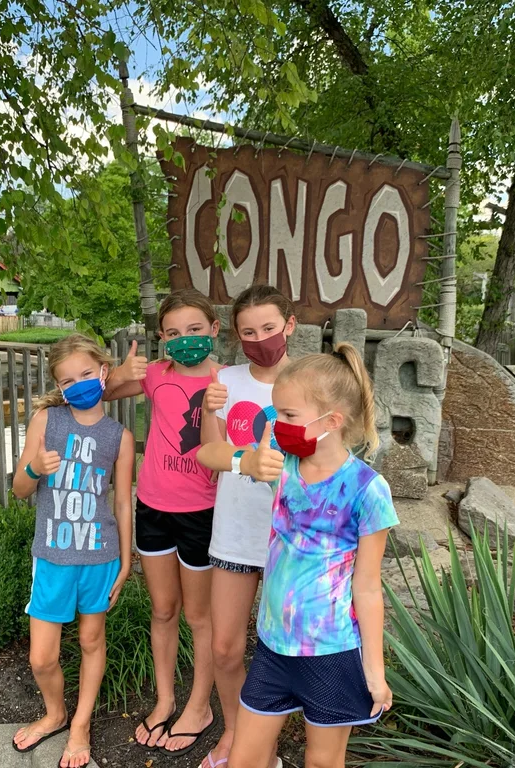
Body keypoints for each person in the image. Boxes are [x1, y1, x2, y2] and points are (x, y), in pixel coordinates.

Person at [196, 345, 398, 768]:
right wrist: (246, 461)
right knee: (243, 761)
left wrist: (374, 673)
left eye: (288, 415)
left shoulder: (367, 488)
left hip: (332, 652)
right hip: (273, 646)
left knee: (323, 762)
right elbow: (206, 454)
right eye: (275, 413)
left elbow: (368, 587)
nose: (276, 423)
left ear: (332, 421)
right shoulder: (281, 465)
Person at [103, 289, 223, 756]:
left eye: (195, 329)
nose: (185, 339)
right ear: (161, 338)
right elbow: (105, 392)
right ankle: (166, 697)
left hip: (204, 513)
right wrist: (118, 373)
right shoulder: (155, 375)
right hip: (153, 508)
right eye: (173, 333)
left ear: (214, 330)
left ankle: (200, 704)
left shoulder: (225, 381)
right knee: (163, 610)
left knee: (199, 615)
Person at [11, 334, 135, 768]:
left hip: (99, 557)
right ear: (59, 388)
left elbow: (121, 502)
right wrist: (33, 468)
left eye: (86, 374)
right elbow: (19, 489)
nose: (78, 384)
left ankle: (79, 724)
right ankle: (55, 712)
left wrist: (125, 559)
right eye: (68, 380)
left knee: (90, 639)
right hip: (52, 557)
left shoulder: (119, 437)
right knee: (41, 657)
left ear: (104, 372)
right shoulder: (48, 421)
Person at [198, 284, 297, 768]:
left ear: (290, 326)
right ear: (236, 336)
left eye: (269, 328)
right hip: (235, 532)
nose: (260, 338)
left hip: (293, 540)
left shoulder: (312, 380)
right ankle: (236, 733)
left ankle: (264, 747)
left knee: (277, 654)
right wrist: (246, 461)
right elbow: (207, 452)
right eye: (249, 331)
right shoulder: (225, 381)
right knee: (224, 647)